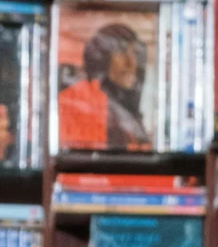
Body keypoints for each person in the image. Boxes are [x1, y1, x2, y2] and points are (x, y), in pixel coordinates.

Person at [57, 20, 152, 154]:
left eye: (135, 53)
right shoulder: (73, 102)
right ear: (101, 58)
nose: (132, 63)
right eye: (122, 52)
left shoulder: (126, 110)